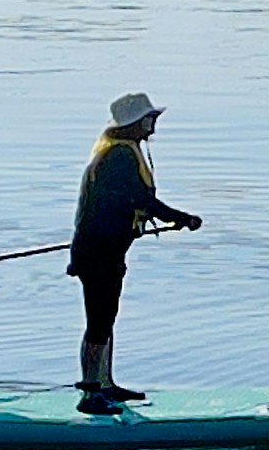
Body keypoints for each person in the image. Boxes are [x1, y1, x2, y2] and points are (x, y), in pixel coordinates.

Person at [68, 92, 202, 408]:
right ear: (135, 122)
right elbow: (139, 199)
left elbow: (127, 203)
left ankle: (105, 384)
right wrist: (182, 218)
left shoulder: (124, 151)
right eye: (149, 118)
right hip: (98, 252)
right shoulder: (119, 156)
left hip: (108, 250)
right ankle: (90, 392)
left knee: (106, 318)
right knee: (98, 321)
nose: (153, 123)